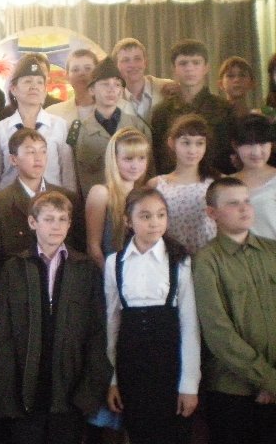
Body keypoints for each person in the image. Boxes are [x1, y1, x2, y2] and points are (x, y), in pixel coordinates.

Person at [0, 191, 111, 444]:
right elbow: (4, 336)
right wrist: (6, 395)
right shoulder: (14, 268)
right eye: (48, 219)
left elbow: (98, 333)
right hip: (25, 393)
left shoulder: (85, 269)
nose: (56, 226)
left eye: (62, 219)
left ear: (70, 223)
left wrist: (87, 395)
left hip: (71, 394)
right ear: (32, 223)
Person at [105, 187, 200, 444]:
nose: (154, 222)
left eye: (161, 215)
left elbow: (189, 325)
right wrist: (113, 379)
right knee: (139, 433)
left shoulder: (179, 261)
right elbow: (112, 324)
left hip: (170, 366)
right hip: (131, 367)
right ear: (128, 221)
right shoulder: (114, 263)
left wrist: (189, 385)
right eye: (145, 216)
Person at [193, 177, 276, 444]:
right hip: (232, 390)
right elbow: (218, 333)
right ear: (212, 213)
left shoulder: (272, 251)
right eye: (233, 203)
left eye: (247, 201)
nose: (244, 208)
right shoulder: (206, 260)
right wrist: (267, 380)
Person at [0, 56, 76, 200]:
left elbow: (68, 175)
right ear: (13, 89)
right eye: (27, 81)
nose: (34, 86)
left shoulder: (59, 125)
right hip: (9, 205)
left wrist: (70, 206)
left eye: (39, 82)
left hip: (51, 204)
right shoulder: (0, 129)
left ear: (45, 90)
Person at [0, 128, 84, 261]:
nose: (38, 158)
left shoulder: (69, 199)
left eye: (43, 151)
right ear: (13, 159)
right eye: (31, 152)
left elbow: (79, 251)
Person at [151, 39, 235, 175]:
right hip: (173, 183)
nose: (189, 68)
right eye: (183, 63)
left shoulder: (224, 109)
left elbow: (230, 155)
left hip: (215, 181)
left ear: (206, 67)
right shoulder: (161, 112)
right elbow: (158, 157)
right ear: (174, 69)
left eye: (196, 62)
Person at [74, 57, 151, 201]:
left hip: (134, 203)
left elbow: (150, 171)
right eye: (105, 84)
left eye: (117, 85)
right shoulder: (80, 131)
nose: (111, 89)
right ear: (91, 90)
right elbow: (76, 177)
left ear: (121, 91)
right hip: (96, 204)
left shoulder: (138, 127)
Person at [148, 114, 218, 253]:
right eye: (186, 143)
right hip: (170, 256)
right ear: (172, 143)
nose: (192, 150)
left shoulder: (215, 182)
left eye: (199, 143)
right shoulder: (157, 184)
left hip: (208, 257)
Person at [85, 127, 150, 269]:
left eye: (141, 158)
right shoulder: (101, 193)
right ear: (114, 159)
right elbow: (93, 248)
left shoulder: (145, 195)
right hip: (109, 273)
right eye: (128, 159)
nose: (135, 166)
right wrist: (112, 277)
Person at [229, 113, 276, 240]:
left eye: (262, 143)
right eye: (249, 144)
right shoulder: (225, 184)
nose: (256, 152)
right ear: (235, 145)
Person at [111, 38, 174, 125]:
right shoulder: (111, 98)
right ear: (116, 67)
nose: (133, 65)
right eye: (126, 60)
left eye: (137, 59)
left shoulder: (167, 87)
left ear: (145, 63)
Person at [0, 52, 62, 120]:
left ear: (48, 78)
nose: (36, 74)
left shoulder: (60, 108)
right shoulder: (5, 113)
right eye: (29, 70)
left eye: (41, 70)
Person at [46, 48, 98, 124]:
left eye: (88, 68)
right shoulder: (52, 113)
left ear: (98, 73)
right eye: (75, 70)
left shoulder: (112, 111)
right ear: (67, 76)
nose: (82, 73)